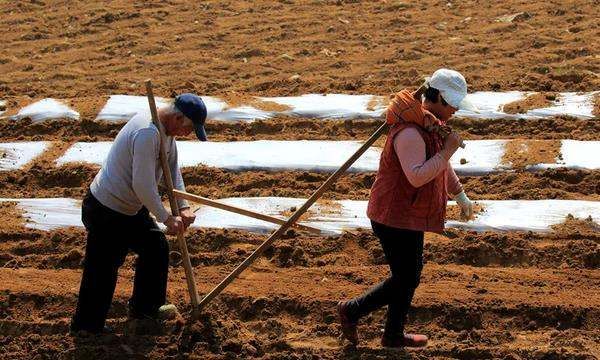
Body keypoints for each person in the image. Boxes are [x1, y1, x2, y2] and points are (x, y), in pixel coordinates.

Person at [337, 69, 476, 348]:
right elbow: (418, 175)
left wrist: (459, 194)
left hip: (410, 213)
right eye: (452, 104)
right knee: (406, 277)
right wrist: (448, 150)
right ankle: (352, 310)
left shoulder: (429, 124)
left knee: (408, 276)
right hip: (393, 215)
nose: (456, 110)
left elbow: (440, 166)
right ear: (435, 97)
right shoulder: (410, 132)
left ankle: (392, 335)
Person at [70, 93, 208, 335]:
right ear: (177, 118)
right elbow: (142, 186)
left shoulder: (167, 132)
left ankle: (146, 310)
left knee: (156, 247)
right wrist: (167, 218)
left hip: (129, 208)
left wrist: (183, 206)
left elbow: (172, 172)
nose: (187, 134)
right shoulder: (147, 133)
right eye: (188, 129)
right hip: (106, 209)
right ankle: (86, 328)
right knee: (103, 268)